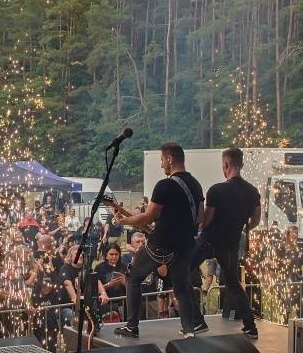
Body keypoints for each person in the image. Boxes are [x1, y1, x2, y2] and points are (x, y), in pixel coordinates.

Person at [112, 142, 204, 339]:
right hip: (186, 244)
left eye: (162, 160)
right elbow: (200, 217)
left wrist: (123, 219)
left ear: (170, 159)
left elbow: (147, 217)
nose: (162, 165)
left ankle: (132, 326)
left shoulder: (165, 185)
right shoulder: (196, 184)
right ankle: (190, 330)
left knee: (133, 277)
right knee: (181, 286)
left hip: (161, 243)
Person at [185, 147, 261, 338]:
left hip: (209, 241)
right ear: (241, 164)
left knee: (182, 272)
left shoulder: (217, 190)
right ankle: (250, 325)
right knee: (234, 284)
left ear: (226, 165)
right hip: (231, 244)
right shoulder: (252, 192)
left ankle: (197, 321)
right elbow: (256, 220)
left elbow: (207, 220)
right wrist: (242, 228)